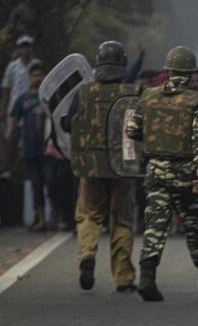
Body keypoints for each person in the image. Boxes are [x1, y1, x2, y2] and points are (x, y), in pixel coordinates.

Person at [126, 46, 198, 302]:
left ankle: (147, 278)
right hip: (186, 174)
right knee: (197, 226)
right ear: (191, 73)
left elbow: (133, 132)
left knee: (155, 226)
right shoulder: (196, 101)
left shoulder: (147, 96)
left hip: (156, 170)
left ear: (167, 70)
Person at [63, 41, 140, 292]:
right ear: (122, 64)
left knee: (88, 215)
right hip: (123, 166)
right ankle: (123, 278)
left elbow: (67, 124)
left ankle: (87, 255)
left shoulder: (83, 93)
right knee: (122, 221)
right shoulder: (133, 93)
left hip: (90, 166)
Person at [5, 62, 51, 231]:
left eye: (41, 75)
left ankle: (56, 217)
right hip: (30, 149)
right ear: (29, 77)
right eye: (35, 75)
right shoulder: (23, 99)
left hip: (49, 150)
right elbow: (13, 121)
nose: (38, 78)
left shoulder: (48, 97)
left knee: (52, 183)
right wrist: (9, 140)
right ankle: (40, 218)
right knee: (36, 184)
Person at [2, 34, 40, 117]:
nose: (25, 49)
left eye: (27, 46)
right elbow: (7, 90)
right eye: (22, 47)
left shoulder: (37, 65)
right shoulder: (12, 67)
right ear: (19, 49)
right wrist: (3, 110)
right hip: (15, 107)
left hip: (32, 107)